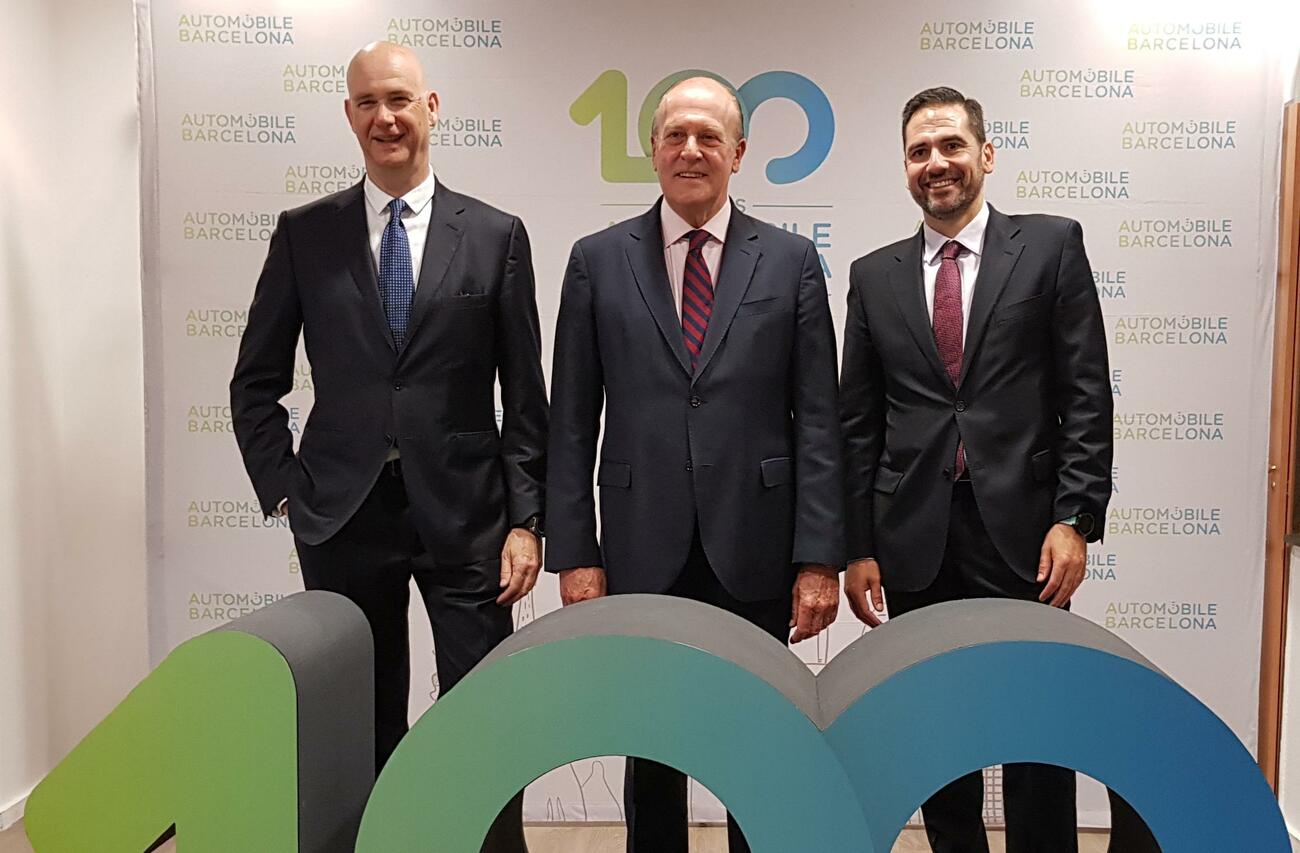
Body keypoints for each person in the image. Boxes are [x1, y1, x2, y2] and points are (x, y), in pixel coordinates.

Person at [230, 41, 545, 851]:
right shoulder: (306, 236)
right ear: (348, 115)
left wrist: (526, 520)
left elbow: (526, 399)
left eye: (400, 99)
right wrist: (287, 490)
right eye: (368, 102)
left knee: (485, 714)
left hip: (470, 519)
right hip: (342, 515)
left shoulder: (498, 235)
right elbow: (253, 384)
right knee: (359, 719)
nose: (386, 117)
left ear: (432, 108)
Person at [839, 86, 1157, 852]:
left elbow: (1086, 395)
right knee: (936, 733)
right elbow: (856, 423)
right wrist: (855, 544)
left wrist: (1075, 518)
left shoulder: (1050, 245)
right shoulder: (872, 274)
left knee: (1036, 729)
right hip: (912, 537)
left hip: (1026, 536)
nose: (935, 163)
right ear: (904, 168)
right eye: (919, 151)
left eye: (951, 145)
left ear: (985, 154)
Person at [546, 76, 845, 853]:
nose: (691, 149)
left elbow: (818, 420)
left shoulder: (790, 261)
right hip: (642, 544)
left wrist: (818, 558)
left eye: (710, 136)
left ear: (739, 152)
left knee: (761, 740)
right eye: (676, 133)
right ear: (651, 149)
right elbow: (571, 423)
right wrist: (575, 552)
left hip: (757, 541)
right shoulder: (596, 260)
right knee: (652, 747)